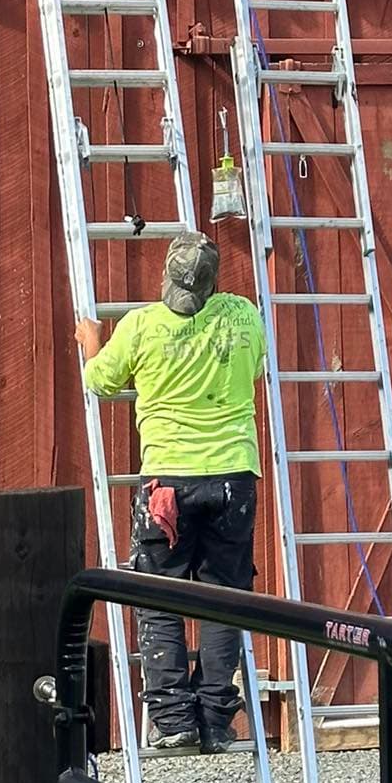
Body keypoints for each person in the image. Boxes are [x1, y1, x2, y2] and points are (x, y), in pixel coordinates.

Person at [74, 232, 267, 755]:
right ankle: (215, 721)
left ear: (167, 277)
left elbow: (99, 382)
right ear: (214, 282)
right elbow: (256, 371)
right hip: (234, 478)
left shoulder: (140, 326)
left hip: (168, 484)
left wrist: (91, 341)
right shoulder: (242, 316)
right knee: (224, 600)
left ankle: (173, 720)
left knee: (159, 597)